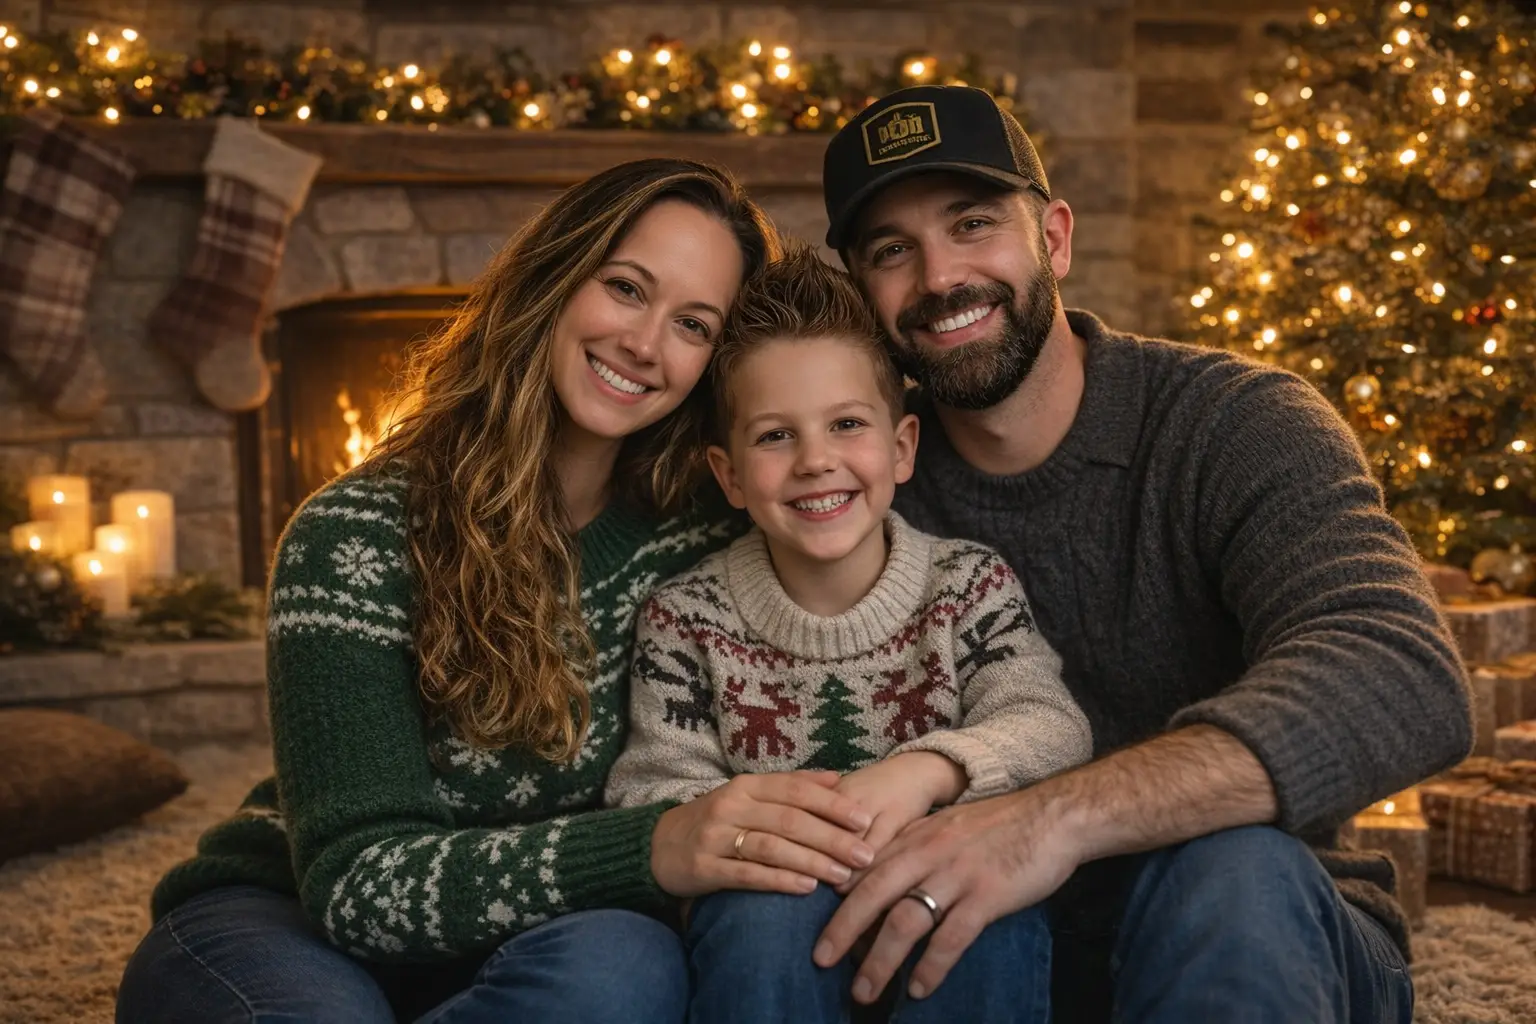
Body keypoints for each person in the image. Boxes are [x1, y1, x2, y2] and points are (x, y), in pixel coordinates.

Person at [115, 159, 887, 1024]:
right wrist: (655, 845)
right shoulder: (353, 536)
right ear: (553, 279)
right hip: (282, 917)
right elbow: (354, 886)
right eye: (626, 288)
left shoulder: (718, 524)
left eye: (693, 324)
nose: (645, 343)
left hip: (547, 936)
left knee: (627, 974)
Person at [805, 85, 1473, 1023]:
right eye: (890, 251)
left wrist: (1050, 820)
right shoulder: (850, 479)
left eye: (974, 224)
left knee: (1228, 865)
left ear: (1057, 239)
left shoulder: (1234, 422)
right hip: (976, 944)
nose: (940, 276)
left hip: (1255, 926)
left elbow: (1403, 675)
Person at [605, 243, 1091, 1022]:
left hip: (939, 884)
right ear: (728, 475)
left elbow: (1049, 725)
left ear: (900, 449)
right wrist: (781, 838)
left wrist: (927, 773)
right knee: (765, 919)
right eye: (774, 437)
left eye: (846, 424)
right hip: (769, 907)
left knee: (979, 912)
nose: (815, 461)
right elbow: (651, 791)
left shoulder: (966, 586)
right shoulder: (686, 618)